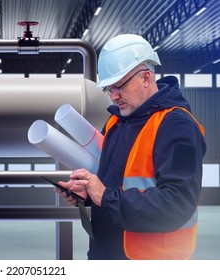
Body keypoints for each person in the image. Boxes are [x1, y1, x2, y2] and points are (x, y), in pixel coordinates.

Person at [55, 34, 206, 260]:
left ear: (145, 78)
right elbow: (111, 185)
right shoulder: (117, 122)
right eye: (109, 89)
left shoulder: (176, 125)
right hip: (104, 255)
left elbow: (177, 203)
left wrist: (104, 196)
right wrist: (88, 194)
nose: (113, 96)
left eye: (119, 87)